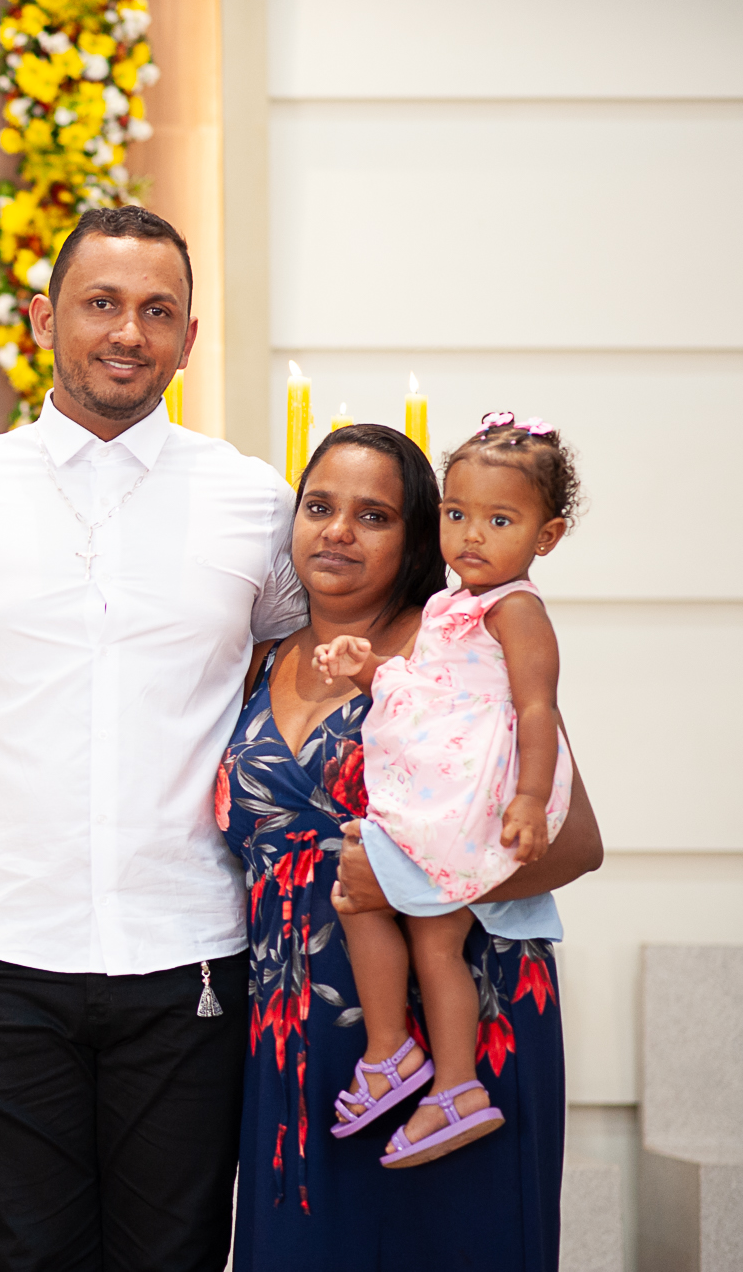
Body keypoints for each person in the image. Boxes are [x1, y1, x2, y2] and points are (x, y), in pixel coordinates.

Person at [0, 204, 299, 1272]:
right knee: (27, 1259)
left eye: (157, 310)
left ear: (189, 337)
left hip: (190, 954)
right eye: (101, 303)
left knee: (176, 1259)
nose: (128, 332)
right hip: (1, 957)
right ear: (44, 318)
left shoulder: (252, 502)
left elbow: (308, 684)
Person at [217, 424, 602, 1269]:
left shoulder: (464, 651)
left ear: (416, 532)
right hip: (295, 1027)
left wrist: (409, 881)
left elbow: (576, 844)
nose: (339, 531)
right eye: (320, 507)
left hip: (462, 1018)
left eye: (374, 515)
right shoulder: (256, 660)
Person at [314, 415, 580, 1168]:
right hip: (442, 795)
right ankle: (454, 1084)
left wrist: (529, 798)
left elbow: (537, 708)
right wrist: (367, 668)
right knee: (434, 943)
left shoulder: (516, 609)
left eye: (500, 520)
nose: (471, 535)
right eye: (456, 514)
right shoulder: (450, 605)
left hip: (473, 803)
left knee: (361, 898)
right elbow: (430, 691)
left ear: (547, 535)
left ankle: (394, 1052)